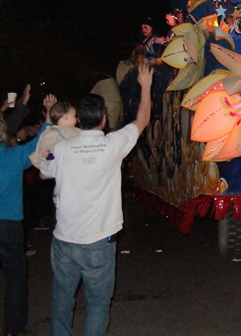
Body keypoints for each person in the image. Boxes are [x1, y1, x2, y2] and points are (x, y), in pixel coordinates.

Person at [39, 63, 153, 336]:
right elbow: (142, 120)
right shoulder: (113, 145)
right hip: (99, 242)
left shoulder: (63, 149)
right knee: (98, 303)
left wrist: (48, 119)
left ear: (78, 120)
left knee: (62, 301)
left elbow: (44, 172)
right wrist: (146, 86)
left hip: (65, 240)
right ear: (103, 118)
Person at [0, 103, 51, 336]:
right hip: (8, 225)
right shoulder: (12, 156)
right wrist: (48, 120)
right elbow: (37, 146)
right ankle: (14, 326)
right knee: (15, 277)